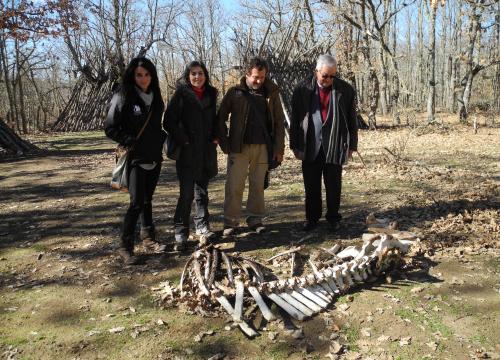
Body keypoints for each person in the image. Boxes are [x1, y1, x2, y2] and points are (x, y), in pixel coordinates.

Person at [105, 57, 167, 264]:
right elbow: (110, 127)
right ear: (132, 75)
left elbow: (157, 125)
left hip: (154, 155)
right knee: (136, 202)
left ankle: (148, 238)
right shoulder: (123, 95)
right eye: (139, 75)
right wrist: (128, 140)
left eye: (147, 74)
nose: (143, 79)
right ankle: (125, 247)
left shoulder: (156, 96)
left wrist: (162, 139)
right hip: (134, 157)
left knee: (148, 199)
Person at [217, 57, 285, 236]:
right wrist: (225, 143)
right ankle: (230, 222)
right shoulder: (234, 92)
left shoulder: (272, 93)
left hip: (263, 147)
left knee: (257, 185)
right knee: (234, 185)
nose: (258, 81)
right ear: (247, 74)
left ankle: (255, 219)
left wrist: (279, 149)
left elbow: (279, 122)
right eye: (255, 77)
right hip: (238, 147)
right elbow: (220, 117)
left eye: (262, 77)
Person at [290, 54, 358, 231]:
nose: (328, 79)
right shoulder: (301, 90)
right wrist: (294, 145)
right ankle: (312, 219)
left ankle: (333, 218)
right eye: (325, 75)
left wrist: (352, 146)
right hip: (310, 144)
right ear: (316, 72)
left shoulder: (346, 90)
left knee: (334, 185)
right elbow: (295, 119)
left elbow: (352, 121)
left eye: (332, 76)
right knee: (311, 186)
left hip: (335, 144)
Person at [163, 61, 218, 251]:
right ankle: (181, 233)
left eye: (200, 73)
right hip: (187, 152)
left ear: (205, 75)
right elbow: (168, 121)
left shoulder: (212, 93)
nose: (197, 77)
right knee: (186, 194)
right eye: (193, 73)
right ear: (188, 76)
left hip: (206, 151)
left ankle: (202, 226)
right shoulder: (181, 94)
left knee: (202, 193)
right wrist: (184, 140)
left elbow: (215, 119)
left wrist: (217, 135)